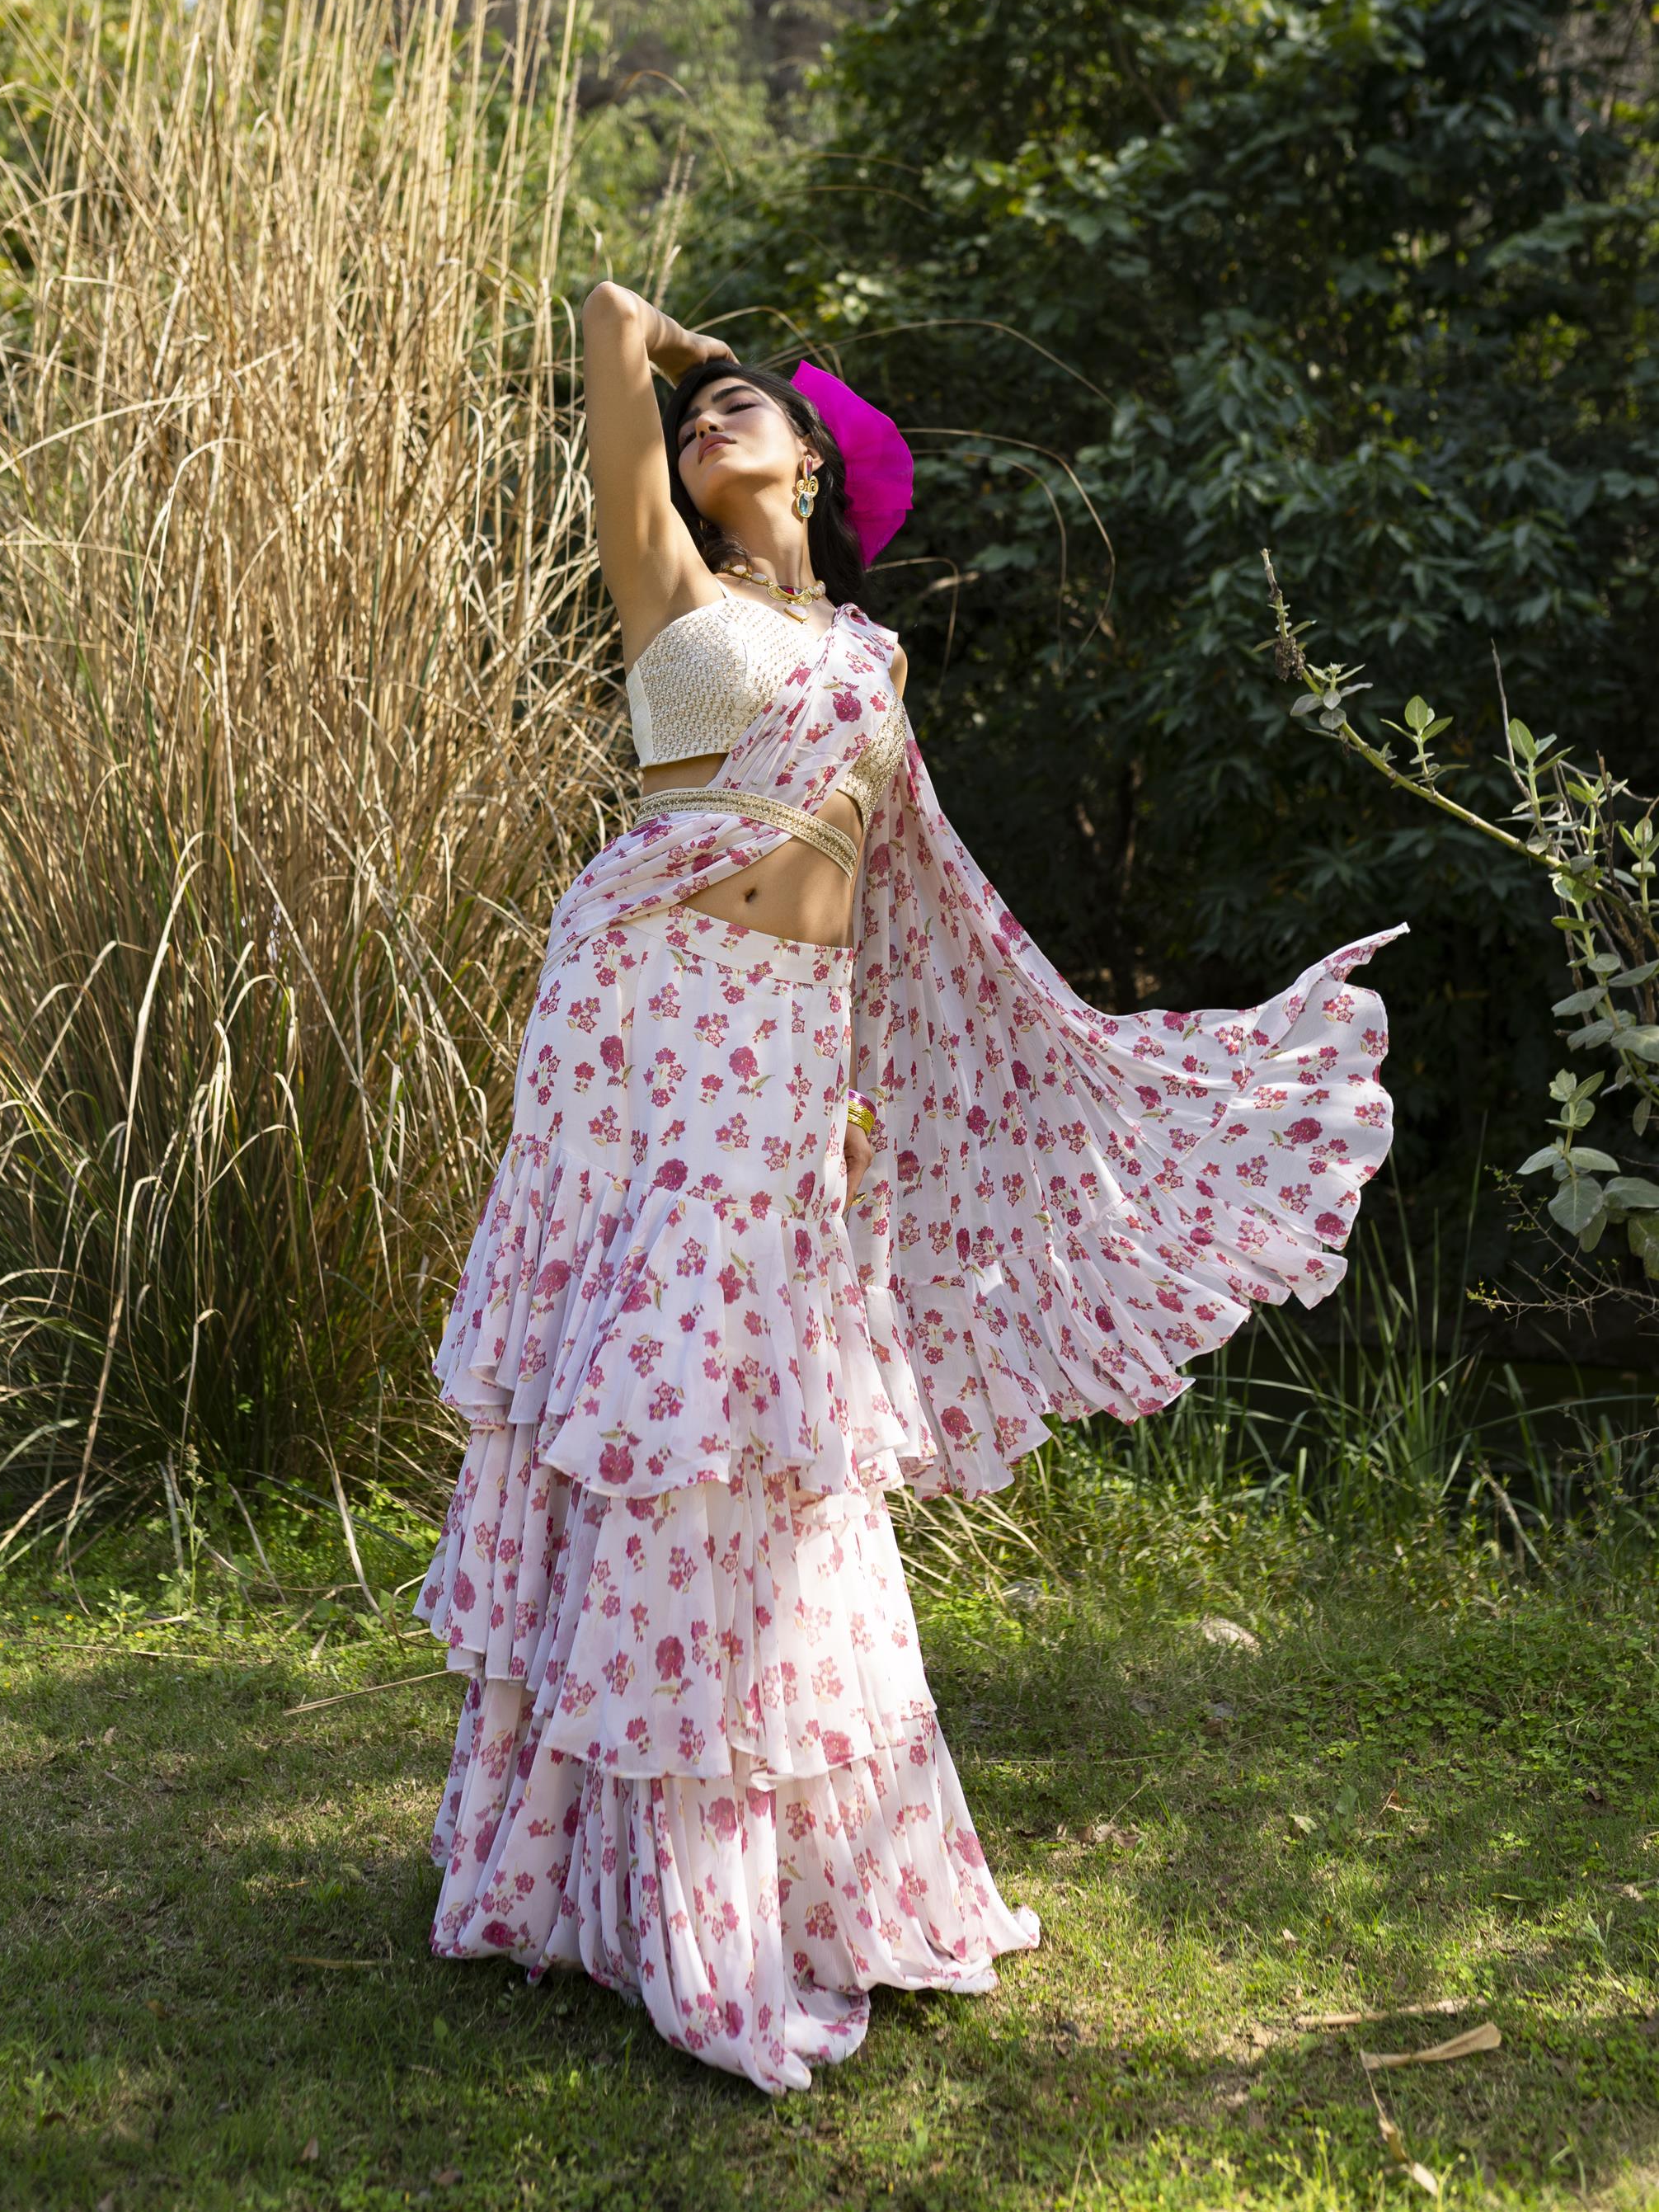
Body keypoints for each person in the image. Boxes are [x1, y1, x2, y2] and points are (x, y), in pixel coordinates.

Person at [412, 281, 1403, 2092]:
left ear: (817, 467)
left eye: (748, 414)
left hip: (790, 1064)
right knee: (678, 1427)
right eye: (697, 415)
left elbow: (897, 906)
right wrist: (683, 353)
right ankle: (652, 1893)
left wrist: (862, 1105)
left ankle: (818, 1871)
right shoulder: (674, 595)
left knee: (774, 1451)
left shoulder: (862, 659)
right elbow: (612, 343)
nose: (714, 423)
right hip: (663, 1049)